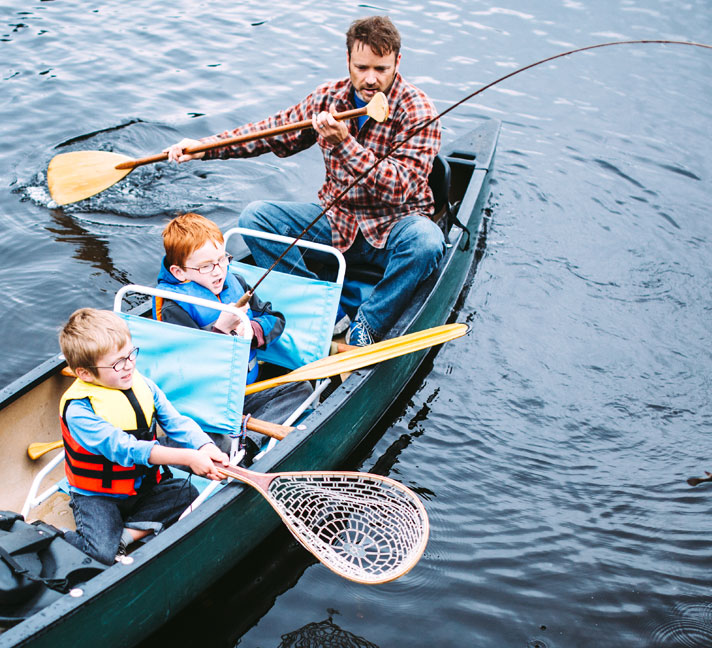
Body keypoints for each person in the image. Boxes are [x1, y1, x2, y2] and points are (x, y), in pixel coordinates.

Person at [166, 15, 445, 347]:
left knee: (427, 241)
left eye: (381, 70)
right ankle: (322, 311)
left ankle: (368, 324)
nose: (370, 79)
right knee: (256, 217)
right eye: (362, 67)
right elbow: (273, 132)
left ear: (397, 63)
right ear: (348, 61)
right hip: (336, 220)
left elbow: (400, 188)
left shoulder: (417, 109)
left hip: (395, 227)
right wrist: (204, 148)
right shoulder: (328, 97)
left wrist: (345, 144)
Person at [58, 308, 229, 566]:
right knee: (101, 555)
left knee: (188, 493)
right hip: (98, 495)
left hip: (141, 486)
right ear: (85, 373)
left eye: (130, 354)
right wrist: (186, 457)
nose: (128, 366)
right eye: (117, 363)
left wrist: (204, 445)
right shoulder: (79, 410)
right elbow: (126, 449)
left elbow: (175, 421)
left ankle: (124, 538)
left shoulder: (142, 383)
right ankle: (53, 536)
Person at [155, 213, 313, 450]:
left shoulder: (235, 281)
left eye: (222, 259)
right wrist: (221, 329)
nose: (218, 271)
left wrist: (253, 329)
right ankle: (232, 444)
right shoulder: (173, 306)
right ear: (179, 272)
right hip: (205, 403)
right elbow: (187, 364)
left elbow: (275, 318)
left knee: (302, 388)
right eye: (206, 266)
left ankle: (248, 442)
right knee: (214, 439)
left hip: (246, 391)